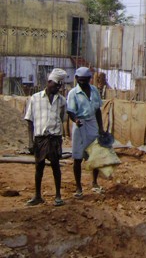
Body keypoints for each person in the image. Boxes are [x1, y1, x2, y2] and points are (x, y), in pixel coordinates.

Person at [23, 68, 67, 206]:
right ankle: (37, 196)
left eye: (60, 86)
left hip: (54, 138)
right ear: (49, 82)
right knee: (39, 167)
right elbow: (29, 120)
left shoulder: (62, 101)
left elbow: (62, 118)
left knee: (55, 166)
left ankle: (58, 196)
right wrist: (30, 141)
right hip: (40, 138)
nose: (57, 88)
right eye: (55, 85)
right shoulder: (35, 98)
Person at [66, 66, 105, 198]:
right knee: (77, 156)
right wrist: (75, 120)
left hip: (92, 123)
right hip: (80, 125)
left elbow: (98, 110)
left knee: (95, 155)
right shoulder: (73, 93)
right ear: (76, 79)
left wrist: (101, 127)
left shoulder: (94, 91)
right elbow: (70, 111)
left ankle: (94, 182)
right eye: (80, 80)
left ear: (89, 79)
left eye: (85, 80)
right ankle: (78, 187)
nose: (82, 83)